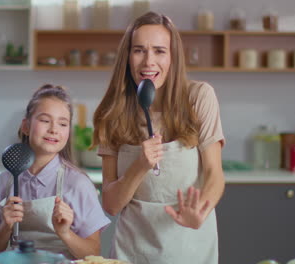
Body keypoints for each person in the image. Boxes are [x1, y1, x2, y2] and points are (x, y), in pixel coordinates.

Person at [92, 12, 225, 264]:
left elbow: (214, 174)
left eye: (160, 51)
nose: (148, 62)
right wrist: (139, 166)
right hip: (132, 252)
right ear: (127, 57)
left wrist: (200, 210)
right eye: (139, 50)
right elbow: (110, 205)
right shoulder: (113, 112)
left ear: (173, 57)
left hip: (190, 247)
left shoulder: (199, 98)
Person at [0, 84, 111, 260]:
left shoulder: (78, 184)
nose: (54, 129)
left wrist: (65, 233)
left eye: (63, 123)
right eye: (44, 120)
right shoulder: (6, 181)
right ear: (26, 127)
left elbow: (94, 253)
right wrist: (5, 226)